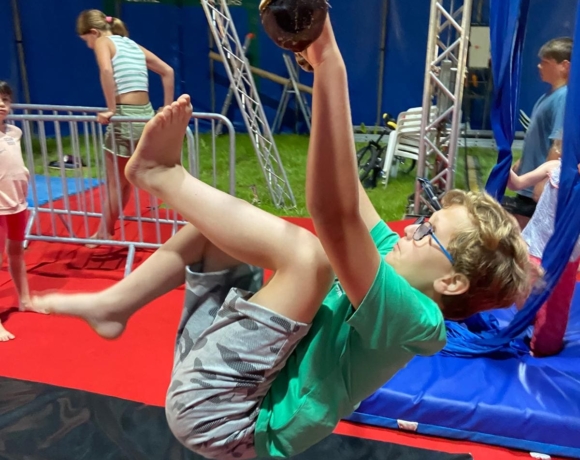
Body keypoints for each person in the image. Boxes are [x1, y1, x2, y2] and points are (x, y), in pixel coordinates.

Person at [32, 17, 534, 460]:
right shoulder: (391, 259)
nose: (412, 228)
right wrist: (318, 70)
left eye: (429, 233)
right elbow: (349, 189)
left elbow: (333, 218)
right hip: (217, 366)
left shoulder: (417, 321)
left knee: (309, 256)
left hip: (230, 420)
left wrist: (334, 63)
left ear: (450, 282)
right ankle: (116, 304)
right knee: (214, 233)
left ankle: (160, 174)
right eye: (423, 219)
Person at [76, 9, 175, 245]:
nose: (90, 46)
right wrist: (167, 107)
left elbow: (106, 70)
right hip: (146, 116)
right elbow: (168, 71)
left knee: (115, 183)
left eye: (86, 41)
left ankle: (104, 232)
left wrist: (111, 108)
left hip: (125, 117)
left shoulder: (103, 41)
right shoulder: (131, 44)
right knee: (127, 180)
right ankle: (105, 229)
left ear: (93, 32)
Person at [507, 148, 580, 356]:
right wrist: (506, 164)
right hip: (535, 242)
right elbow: (518, 184)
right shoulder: (554, 167)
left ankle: (544, 343)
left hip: (564, 252)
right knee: (522, 289)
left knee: (555, 305)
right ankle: (531, 315)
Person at [503, 37, 572, 229]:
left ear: (564, 66)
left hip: (537, 187)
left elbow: (559, 144)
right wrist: (522, 162)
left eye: (546, 62)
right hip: (529, 183)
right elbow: (539, 137)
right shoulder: (548, 96)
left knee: (525, 241)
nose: (539, 66)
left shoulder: (565, 97)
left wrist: (544, 183)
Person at [0, 81, 34, 341]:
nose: (2, 104)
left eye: (6, 100)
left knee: (16, 253)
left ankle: (25, 298)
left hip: (17, 204)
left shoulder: (14, 132)